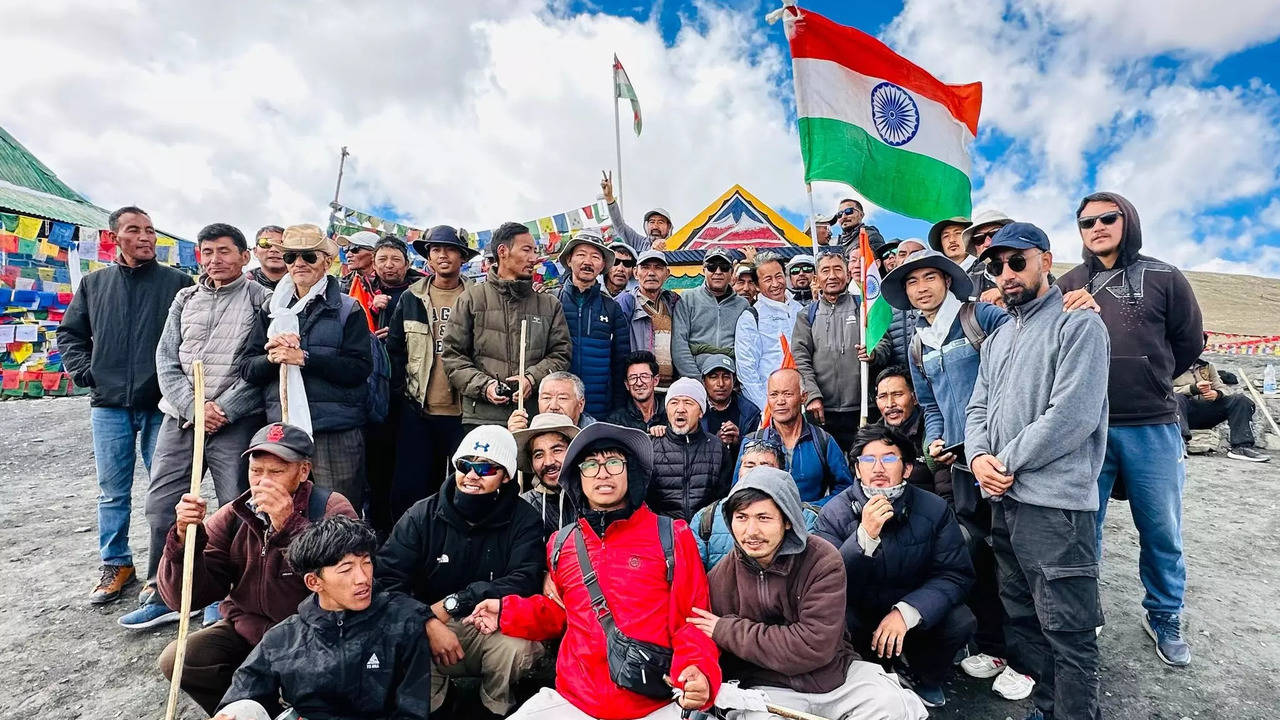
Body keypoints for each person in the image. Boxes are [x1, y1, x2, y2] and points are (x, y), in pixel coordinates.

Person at [467, 422, 722, 719]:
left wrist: (699, 671)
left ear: (631, 473)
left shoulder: (673, 536)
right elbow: (557, 614)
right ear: (578, 477)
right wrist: (506, 612)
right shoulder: (561, 543)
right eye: (590, 465)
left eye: (614, 462)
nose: (602, 472)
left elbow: (692, 621)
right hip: (575, 700)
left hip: (653, 702)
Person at [966, 221, 1111, 719]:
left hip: (1054, 504)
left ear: (1046, 261)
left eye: (1016, 261)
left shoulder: (1079, 324)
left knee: (1067, 628)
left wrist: (1002, 461)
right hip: (1004, 500)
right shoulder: (998, 337)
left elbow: (1072, 415)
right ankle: (1047, 707)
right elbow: (977, 409)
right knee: (1024, 614)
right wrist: (978, 458)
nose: (1005, 272)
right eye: (995, 265)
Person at [1057, 192, 1204, 667]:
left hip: (1151, 423)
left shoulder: (1165, 276)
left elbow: (1188, 341)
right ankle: (1085, 614)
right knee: (1085, 528)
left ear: (1128, 220)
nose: (1096, 227)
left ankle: (1164, 614)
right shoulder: (1069, 283)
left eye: (1107, 218)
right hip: (1087, 426)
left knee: (1161, 527)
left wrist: (1150, 375)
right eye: (1086, 222)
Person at [878, 249, 1020, 695]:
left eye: (928, 278)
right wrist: (931, 442)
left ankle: (1027, 657)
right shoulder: (919, 342)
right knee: (978, 555)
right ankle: (994, 646)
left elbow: (1028, 339)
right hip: (961, 463)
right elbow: (933, 404)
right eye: (911, 282)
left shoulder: (982, 317)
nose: (920, 288)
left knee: (1018, 559)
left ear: (947, 280)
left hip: (1005, 455)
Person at [122, 223, 268, 629]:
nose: (214, 259)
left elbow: (259, 369)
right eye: (206, 252)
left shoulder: (262, 300)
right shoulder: (185, 297)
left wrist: (224, 408)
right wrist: (192, 406)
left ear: (244, 256)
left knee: (236, 506)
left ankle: (224, 595)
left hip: (232, 420)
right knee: (162, 504)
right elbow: (166, 359)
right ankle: (163, 590)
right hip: (181, 416)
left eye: (224, 251)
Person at [156, 422, 358, 715]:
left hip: (312, 633)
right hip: (247, 629)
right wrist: (183, 541)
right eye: (256, 471)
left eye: (276, 472)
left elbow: (349, 585)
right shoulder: (235, 514)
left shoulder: (331, 508)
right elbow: (183, 599)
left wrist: (290, 527)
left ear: (303, 471)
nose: (263, 482)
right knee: (179, 659)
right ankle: (257, 710)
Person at [702, 466, 928, 720]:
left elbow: (812, 645)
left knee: (891, 705)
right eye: (741, 517)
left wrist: (727, 629)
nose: (751, 531)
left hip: (835, 679)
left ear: (787, 520)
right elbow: (700, 639)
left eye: (763, 518)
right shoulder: (721, 577)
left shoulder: (822, 559)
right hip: (768, 689)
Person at [58, 205, 195, 604]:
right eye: (135, 230)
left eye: (151, 230)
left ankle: (167, 567)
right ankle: (116, 562)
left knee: (166, 490)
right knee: (112, 491)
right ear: (114, 237)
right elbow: (70, 334)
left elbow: (192, 339)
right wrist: (87, 371)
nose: (146, 237)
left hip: (162, 404)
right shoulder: (94, 284)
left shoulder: (177, 283)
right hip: (109, 404)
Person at [376, 425, 545, 717]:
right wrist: (427, 622)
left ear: (506, 476)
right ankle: (439, 701)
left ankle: (493, 705)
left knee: (518, 647)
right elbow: (387, 581)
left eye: (485, 468)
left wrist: (461, 600)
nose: (472, 475)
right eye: (464, 465)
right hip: (432, 620)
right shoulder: (421, 514)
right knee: (401, 638)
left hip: (495, 623)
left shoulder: (525, 518)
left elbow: (525, 579)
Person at [816, 425, 975, 709]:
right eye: (868, 460)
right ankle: (865, 674)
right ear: (857, 469)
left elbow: (955, 574)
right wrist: (863, 537)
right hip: (861, 616)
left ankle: (926, 675)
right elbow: (822, 583)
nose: (878, 468)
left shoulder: (934, 509)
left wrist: (907, 612)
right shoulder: (835, 513)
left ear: (907, 469)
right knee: (839, 621)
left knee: (960, 620)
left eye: (889, 459)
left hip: (914, 614)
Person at [213, 517, 432, 720]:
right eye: (346, 569)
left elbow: (412, 710)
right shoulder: (283, 638)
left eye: (366, 562)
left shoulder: (402, 624)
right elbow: (243, 691)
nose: (363, 578)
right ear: (314, 583)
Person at [237, 224, 373, 509]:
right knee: (283, 513)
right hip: (283, 429)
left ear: (327, 261)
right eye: (291, 257)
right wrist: (272, 359)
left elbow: (359, 369)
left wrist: (305, 358)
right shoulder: (272, 309)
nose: (298, 263)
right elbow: (248, 368)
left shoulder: (348, 309)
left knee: (337, 514)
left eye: (308, 256)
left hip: (334, 430)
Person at [384, 225, 477, 531]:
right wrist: (401, 398)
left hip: (465, 412)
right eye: (435, 250)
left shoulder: (477, 297)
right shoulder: (411, 297)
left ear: (462, 257)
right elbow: (396, 351)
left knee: (463, 488)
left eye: (449, 249)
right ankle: (409, 549)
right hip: (419, 409)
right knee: (410, 490)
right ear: (428, 257)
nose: (442, 255)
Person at [442, 221, 571, 431]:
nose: (534, 258)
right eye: (527, 250)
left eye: (535, 251)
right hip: (481, 418)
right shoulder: (471, 299)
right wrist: (485, 386)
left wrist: (531, 379)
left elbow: (561, 354)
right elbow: (452, 356)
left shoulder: (549, 304)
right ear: (503, 251)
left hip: (533, 417)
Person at [689, 436, 818, 570]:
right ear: (738, 471)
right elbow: (693, 578)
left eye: (765, 466)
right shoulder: (705, 518)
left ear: (781, 472)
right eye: (749, 465)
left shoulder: (806, 519)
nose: (756, 471)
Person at [738, 369, 853, 505]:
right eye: (774, 395)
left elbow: (845, 488)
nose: (780, 401)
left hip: (810, 523)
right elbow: (737, 490)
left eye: (787, 394)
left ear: (803, 397)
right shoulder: (752, 442)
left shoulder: (823, 440)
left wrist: (814, 510)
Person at [793, 249, 862, 452]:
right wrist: (812, 395)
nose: (832, 276)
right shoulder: (807, 315)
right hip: (823, 409)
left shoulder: (864, 307)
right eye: (825, 270)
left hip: (862, 407)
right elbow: (801, 358)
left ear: (848, 274)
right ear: (817, 278)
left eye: (838, 269)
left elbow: (883, 344)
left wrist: (874, 354)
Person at [556, 230, 631, 417]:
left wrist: (619, 408)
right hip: (559, 405)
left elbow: (621, 363)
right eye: (581, 255)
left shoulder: (612, 309)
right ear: (569, 260)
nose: (587, 262)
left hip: (600, 407)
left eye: (595, 257)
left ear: (603, 265)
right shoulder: (552, 301)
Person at [648, 378, 734, 522]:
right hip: (662, 534)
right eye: (674, 402)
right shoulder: (651, 445)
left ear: (701, 412)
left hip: (704, 533)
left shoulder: (717, 448)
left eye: (688, 403)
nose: (680, 409)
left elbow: (723, 501)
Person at [1175, 340, 1268, 462]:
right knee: (1176, 398)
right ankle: (1179, 443)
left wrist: (1217, 394)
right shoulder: (1170, 365)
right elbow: (1163, 391)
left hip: (1205, 411)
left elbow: (1223, 388)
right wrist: (1192, 389)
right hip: (1180, 413)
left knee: (1240, 400)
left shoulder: (1207, 366)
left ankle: (1241, 447)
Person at [735, 252, 803, 410]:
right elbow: (747, 371)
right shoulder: (751, 317)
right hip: (770, 404)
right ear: (757, 286)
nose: (775, 284)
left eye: (778, 276)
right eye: (767, 279)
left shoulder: (800, 311)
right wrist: (767, 407)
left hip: (801, 400)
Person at [673, 247, 749, 378]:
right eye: (712, 267)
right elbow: (679, 345)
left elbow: (748, 348)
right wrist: (696, 380)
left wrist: (737, 380)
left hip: (731, 378)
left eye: (724, 267)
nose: (718, 272)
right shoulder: (687, 299)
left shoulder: (743, 305)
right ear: (703, 270)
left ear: (732, 272)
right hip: (695, 375)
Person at [873, 366, 944, 499]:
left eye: (897, 395)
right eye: (882, 397)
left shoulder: (933, 434)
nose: (890, 404)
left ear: (915, 397)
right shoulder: (871, 439)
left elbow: (945, 489)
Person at [615, 249, 681, 385]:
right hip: (639, 387)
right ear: (635, 273)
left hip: (670, 387)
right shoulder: (626, 303)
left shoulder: (673, 303)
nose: (651, 273)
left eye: (658, 268)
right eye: (645, 267)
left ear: (667, 274)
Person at [515, 412, 582, 539]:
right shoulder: (523, 508)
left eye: (557, 450)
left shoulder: (594, 500)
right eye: (539, 455)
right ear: (531, 462)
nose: (549, 462)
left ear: (574, 453)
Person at [699, 354, 761, 457]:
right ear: (704, 382)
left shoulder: (749, 412)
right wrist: (715, 442)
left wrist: (739, 441)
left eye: (726, 377)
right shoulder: (695, 410)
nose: (720, 384)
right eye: (713, 377)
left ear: (734, 380)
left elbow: (757, 453)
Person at [601, 171, 674, 252]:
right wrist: (609, 198)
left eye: (660, 222)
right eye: (652, 222)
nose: (655, 226)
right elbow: (619, 225)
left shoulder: (679, 245)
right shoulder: (638, 242)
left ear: (669, 227)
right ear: (646, 225)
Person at [368, 236, 425, 338]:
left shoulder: (423, 289)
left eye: (396, 259)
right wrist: (373, 310)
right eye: (382, 259)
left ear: (407, 265)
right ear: (374, 265)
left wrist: (397, 334)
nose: (389, 265)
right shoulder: (364, 288)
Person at [507, 371, 596, 431]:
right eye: (546, 398)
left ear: (581, 404)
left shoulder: (596, 437)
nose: (553, 406)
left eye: (562, 398)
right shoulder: (529, 432)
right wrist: (515, 437)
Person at [960, 210, 1014, 303]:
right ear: (975, 248)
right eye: (979, 238)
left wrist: (1006, 294)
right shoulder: (968, 286)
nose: (987, 243)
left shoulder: (1033, 266)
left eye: (995, 234)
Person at [607, 351, 668, 431]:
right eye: (633, 378)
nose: (639, 383)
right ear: (627, 385)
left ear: (655, 380)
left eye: (644, 376)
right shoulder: (617, 421)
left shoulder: (670, 413)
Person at [926, 217, 978, 298]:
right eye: (946, 236)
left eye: (958, 233)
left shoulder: (987, 268)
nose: (952, 240)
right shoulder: (938, 277)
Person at [338, 229, 379, 295]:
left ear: (374, 254)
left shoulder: (389, 284)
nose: (347, 255)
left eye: (354, 248)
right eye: (346, 249)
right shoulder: (342, 285)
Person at [247, 225, 286, 289]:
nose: (274, 249)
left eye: (281, 244)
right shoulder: (242, 284)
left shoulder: (303, 280)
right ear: (255, 251)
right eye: (265, 244)